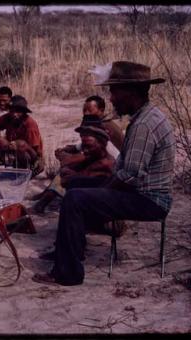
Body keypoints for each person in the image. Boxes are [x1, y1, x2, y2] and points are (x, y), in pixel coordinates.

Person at [32, 61, 176, 286]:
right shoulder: (144, 118)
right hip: (142, 191)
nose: (111, 98)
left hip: (149, 199)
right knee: (76, 183)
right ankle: (67, 249)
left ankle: (67, 272)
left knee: (76, 198)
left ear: (131, 92)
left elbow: (130, 175)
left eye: (114, 91)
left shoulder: (144, 125)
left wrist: (101, 191)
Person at [32, 95, 123, 210]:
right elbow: (82, 146)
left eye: (89, 110)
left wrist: (69, 159)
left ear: (101, 110)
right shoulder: (93, 123)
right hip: (100, 163)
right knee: (69, 169)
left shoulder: (105, 128)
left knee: (70, 170)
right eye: (84, 110)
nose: (85, 112)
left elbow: (99, 154)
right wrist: (67, 150)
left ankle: (47, 198)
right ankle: (47, 196)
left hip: (111, 171)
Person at [0, 95, 44, 177]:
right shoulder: (8, 117)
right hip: (11, 150)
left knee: (20, 144)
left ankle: (25, 171)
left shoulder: (30, 124)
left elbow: (35, 153)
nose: (14, 114)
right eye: (12, 110)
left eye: (18, 111)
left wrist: (19, 144)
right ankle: (1, 163)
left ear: (24, 112)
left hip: (31, 158)